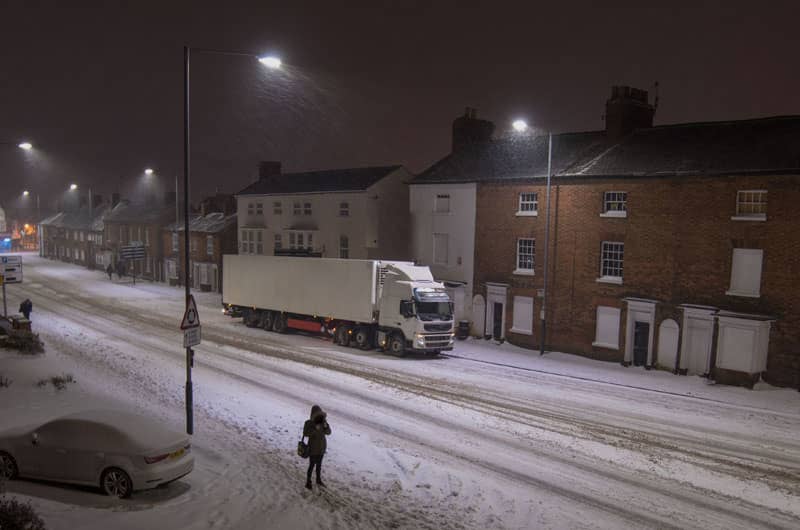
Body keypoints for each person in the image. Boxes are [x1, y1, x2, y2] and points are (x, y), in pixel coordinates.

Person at [303, 404, 331, 490]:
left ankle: (318, 480)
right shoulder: (308, 423)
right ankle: (308, 481)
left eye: (320, 414)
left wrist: (326, 427)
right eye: (317, 414)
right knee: (311, 465)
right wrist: (315, 429)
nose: (319, 416)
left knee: (319, 466)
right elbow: (306, 433)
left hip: (321, 448)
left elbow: (329, 432)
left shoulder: (323, 422)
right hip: (313, 448)